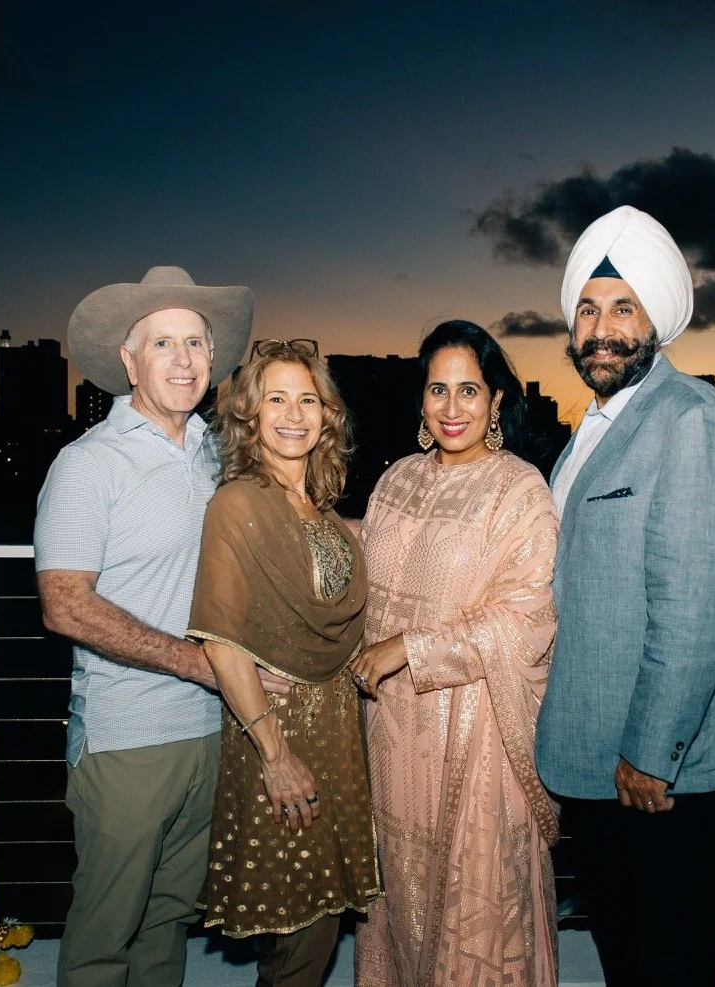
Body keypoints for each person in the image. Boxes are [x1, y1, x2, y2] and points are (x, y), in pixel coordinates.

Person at [534, 206, 715, 987]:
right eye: (587, 308)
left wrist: (651, 754)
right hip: (598, 745)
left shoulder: (691, 420)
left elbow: (694, 607)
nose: (601, 327)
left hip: (657, 762)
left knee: (667, 946)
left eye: (622, 307)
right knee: (622, 935)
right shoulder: (596, 425)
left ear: (658, 320)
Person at [35, 265, 277, 987]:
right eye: (163, 342)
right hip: (128, 737)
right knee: (105, 934)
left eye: (196, 342)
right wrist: (194, 662)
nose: (183, 359)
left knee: (165, 920)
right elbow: (65, 604)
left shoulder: (213, 454)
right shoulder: (88, 465)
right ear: (128, 359)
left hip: (213, 729)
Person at [351, 320, 561, 987]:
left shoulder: (520, 490)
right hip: (388, 739)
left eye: (468, 389)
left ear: (497, 400)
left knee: (472, 909)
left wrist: (408, 647)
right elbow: (365, 571)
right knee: (398, 898)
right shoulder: (395, 481)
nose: (450, 407)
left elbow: (527, 616)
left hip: (474, 738)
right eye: (437, 389)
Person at [186, 338, 381, 987]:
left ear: (327, 414)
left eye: (307, 398)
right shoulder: (237, 505)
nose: (293, 413)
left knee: (317, 925)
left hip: (334, 733)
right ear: (250, 414)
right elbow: (221, 641)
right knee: (295, 933)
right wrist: (274, 752)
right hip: (278, 735)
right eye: (276, 398)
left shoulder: (323, 511)